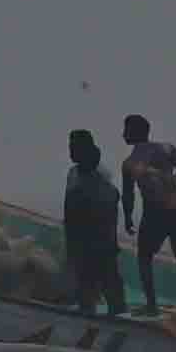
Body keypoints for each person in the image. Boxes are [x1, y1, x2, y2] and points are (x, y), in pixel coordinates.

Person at [120, 114, 176, 315]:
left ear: (135, 132)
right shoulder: (167, 149)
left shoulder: (129, 164)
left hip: (154, 213)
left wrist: (128, 217)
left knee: (144, 257)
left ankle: (151, 305)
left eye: (126, 130)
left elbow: (128, 195)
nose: (123, 134)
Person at [64, 130, 126, 315]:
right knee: (87, 288)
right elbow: (70, 215)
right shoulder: (73, 174)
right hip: (84, 243)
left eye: (74, 147)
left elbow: (108, 210)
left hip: (98, 243)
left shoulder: (99, 180)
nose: (70, 151)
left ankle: (116, 315)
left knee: (109, 286)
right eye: (70, 147)